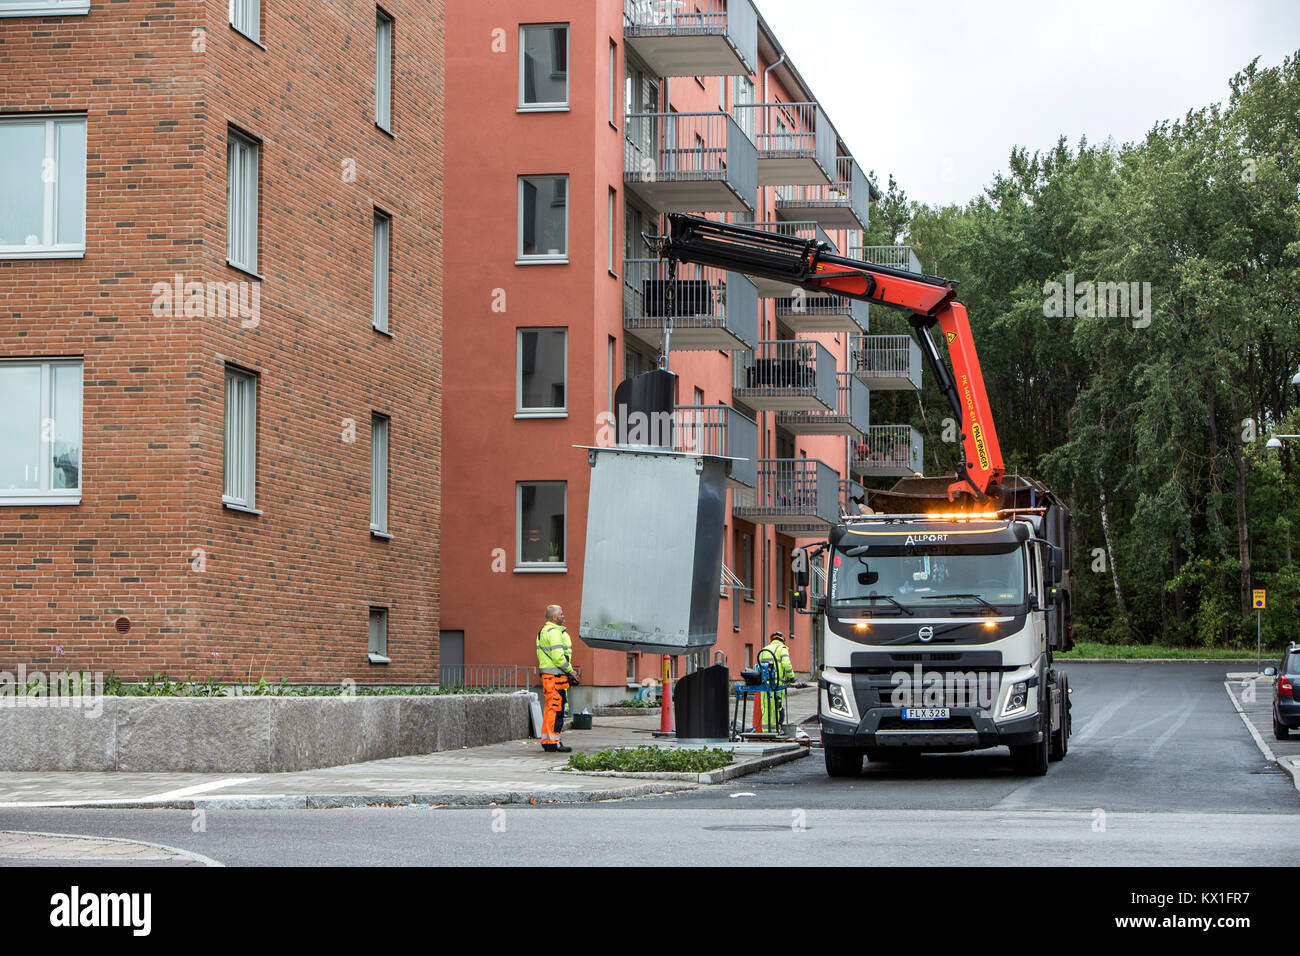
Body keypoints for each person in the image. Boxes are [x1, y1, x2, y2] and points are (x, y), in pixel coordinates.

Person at [536, 604, 579, 752]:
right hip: (555, 678)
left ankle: (549, 741)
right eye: (561, 614)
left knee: (551, 709)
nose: (563, 616)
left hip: (550, 678)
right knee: (556, 710)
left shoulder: (543, 631)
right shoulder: (554, 632)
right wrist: (571, 671)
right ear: (554, 617)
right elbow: (559, 658)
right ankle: (553, 742)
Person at [758, 631, 794, 733]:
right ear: (783, 640)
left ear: (771, 640)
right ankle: (776, 731)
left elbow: (759, 666)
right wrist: (791, 677)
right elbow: (786, 664)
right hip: (777, 685)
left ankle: (766, 731)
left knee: (766, 707)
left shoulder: (764, 649)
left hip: (765, 684)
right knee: (777, 707)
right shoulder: (782, 649)